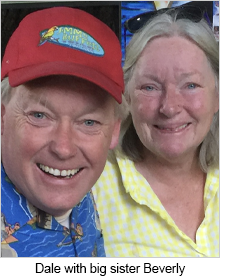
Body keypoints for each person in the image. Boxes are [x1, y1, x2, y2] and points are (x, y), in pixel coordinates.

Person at [93, 6, 219, 257]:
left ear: (217, 96)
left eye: (191, 85)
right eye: (150, 87)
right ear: (127, 97)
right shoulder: (91, 185)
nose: (169, 107)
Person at [1, 6, 127, 257]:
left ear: (113, 131)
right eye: (39, 116)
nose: (64, 148)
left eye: (88, 122)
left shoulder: (75, 182)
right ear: (2, 118)